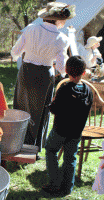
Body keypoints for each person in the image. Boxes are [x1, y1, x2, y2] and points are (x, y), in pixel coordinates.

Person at [11, 2, 76, 158]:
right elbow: (61, 67)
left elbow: (15, 51)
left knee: (21, 106)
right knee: (40, 111)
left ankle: (16, 142)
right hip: (45, 75)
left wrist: (28, 55)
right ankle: (33, 147)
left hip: (26, 72)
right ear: (59, 20)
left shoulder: (31, 29)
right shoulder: (62, 38)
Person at [43, 56, 93, 197]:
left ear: (66, 70)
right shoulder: (88, 91)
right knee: (70, 158)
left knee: (50, 150)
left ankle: (54, 184)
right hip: (76, 132)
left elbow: (55, 109)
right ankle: (67, 188)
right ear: (84, 72)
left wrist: (52, 104)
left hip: (60, 130)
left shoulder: (65, 89)